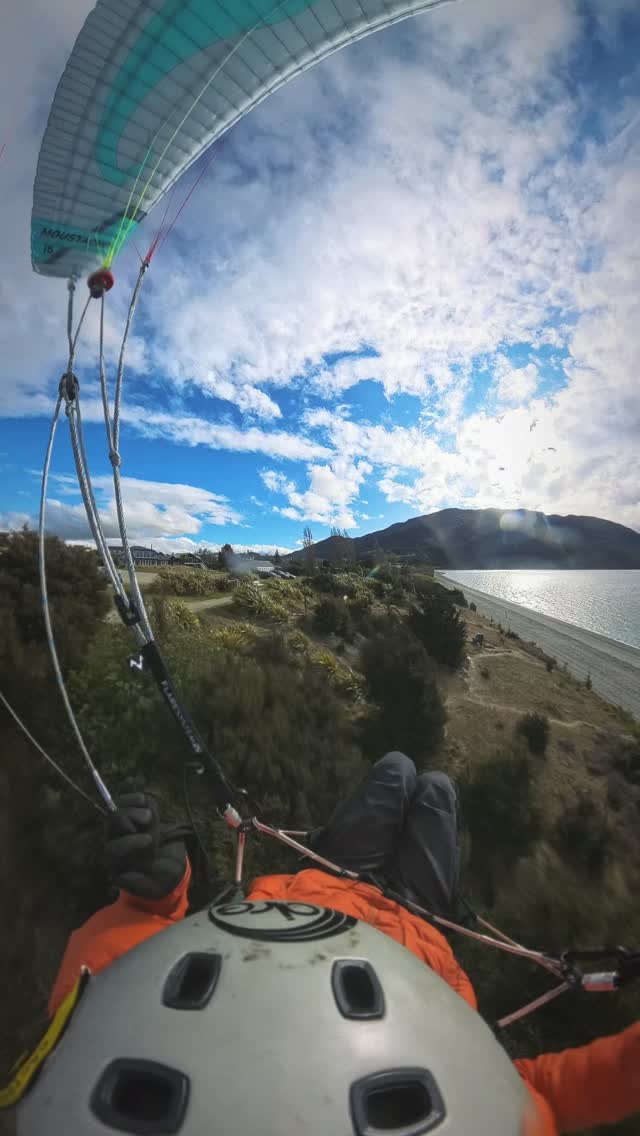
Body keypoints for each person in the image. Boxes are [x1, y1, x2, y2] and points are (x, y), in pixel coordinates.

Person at [10, 755, 640, 1134]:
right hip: (413, 922)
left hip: (319, 883)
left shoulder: (93, 1055)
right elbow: (555, 1091)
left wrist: (151, 894)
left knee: (399, 771)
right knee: (435, 787)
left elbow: (121, 967)